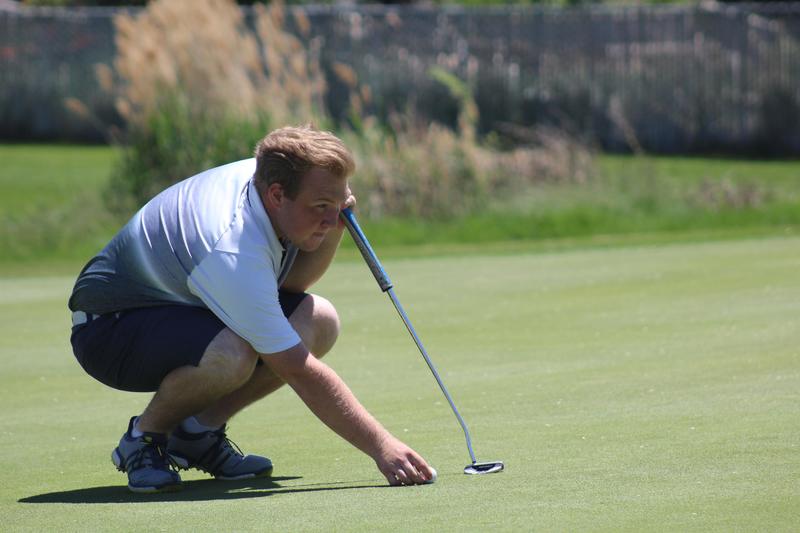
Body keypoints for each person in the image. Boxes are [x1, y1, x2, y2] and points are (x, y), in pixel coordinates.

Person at [68, 125, 434, 493]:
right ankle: (142, 439)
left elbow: (291, 286)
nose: (330, 216)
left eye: (339, 203)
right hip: (108, 330)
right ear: (277, 195)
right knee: (234, 353)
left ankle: (196, 435)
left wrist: (335, 226)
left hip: (182, 306)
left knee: (319, 320)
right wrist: (383, 447)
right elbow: (297, 369)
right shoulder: (233, 247)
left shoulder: (274, 182)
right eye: (321, 207)